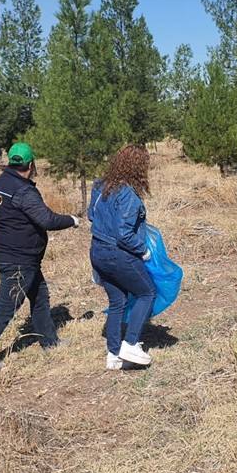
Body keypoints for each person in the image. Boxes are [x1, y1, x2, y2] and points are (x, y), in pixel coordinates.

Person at [0, 142, 80, 373]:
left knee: (40, 296)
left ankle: (49, 341)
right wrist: (72, 219)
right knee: (5, 307)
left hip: (10, 252)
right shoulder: (23, 191)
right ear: (31, 164)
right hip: (18, 259)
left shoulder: (1, 184)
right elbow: (47, 220)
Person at [88, 144, 156, 370]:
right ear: (138, 167)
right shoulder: (128, 193)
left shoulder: (100, 185)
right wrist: (143, 250)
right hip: (118, 254)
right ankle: (131, 343)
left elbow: (91, 216)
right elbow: (123, 233)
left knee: (117, 301)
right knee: (147, 292)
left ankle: (113, 354)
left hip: (97, 251)